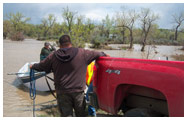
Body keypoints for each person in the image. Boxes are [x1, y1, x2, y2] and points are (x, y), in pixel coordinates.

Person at [30, 35, 108, 117]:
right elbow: (99, 54)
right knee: (81, 116)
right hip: (78, 92)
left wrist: (32, 66)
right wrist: (105, 55)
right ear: (71, 43)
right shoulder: (83, 53)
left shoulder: (53, 56)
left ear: (60, 45)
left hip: (62, 92)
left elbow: (41, 66)